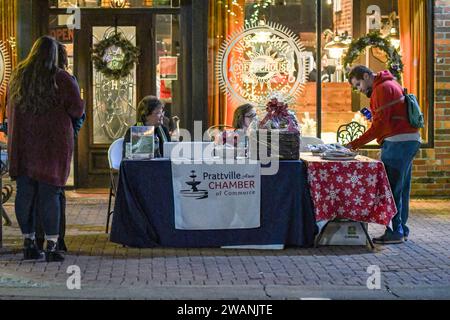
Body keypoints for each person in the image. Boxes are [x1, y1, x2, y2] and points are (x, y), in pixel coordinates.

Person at [7, 36, 84, 261]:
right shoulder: (61, 78)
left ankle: (29, 242)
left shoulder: (18, 77)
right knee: (50, 195)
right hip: (52, 146)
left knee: (25, 194)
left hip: (23, 144)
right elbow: (77, 110)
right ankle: (51, 246)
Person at [346, 65, 421, 245]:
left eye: (358, 85)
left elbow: (379, 127)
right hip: (409, 140)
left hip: (397, 143)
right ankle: (401, 227)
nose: (359, 90)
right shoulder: (390, 83)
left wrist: (353, 144)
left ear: (366, 76)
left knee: (392, 189)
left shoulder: (381, 89)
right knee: (402, 188)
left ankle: (396, 231)